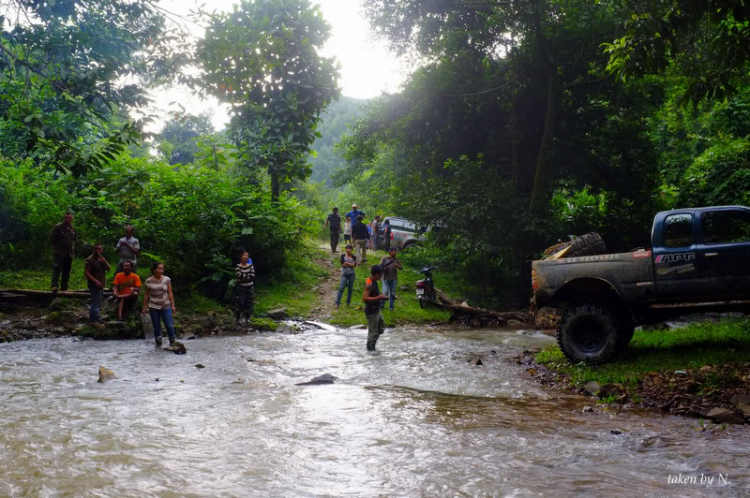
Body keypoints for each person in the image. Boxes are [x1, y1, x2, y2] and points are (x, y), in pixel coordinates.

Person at [142, 262, 177, 348]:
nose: (161, 271)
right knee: (157, 326)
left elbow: (170, 293)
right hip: (153, 306)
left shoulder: (167, 279)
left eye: (162, 269)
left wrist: (172, 305)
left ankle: (173, 343)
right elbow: (146, 295)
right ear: (154, 270)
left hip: (166, 305)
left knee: (169, 325)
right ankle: (158, 346)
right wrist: (144, 306)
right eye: (159, 269)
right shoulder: (148, 281)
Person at [363, 264, 388, 351]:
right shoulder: (369, 283)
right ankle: (371, 350)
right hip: (371, 311)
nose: (381, 276)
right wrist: (379, 297)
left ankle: (371, 344)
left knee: (381, 328)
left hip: (377, 310)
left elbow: (374, 295)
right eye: (380, 274)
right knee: (373, 333)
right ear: (376, 274)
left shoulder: (374, 281)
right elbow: (365, 298)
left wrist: (382, 296)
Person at [50, 211, 77, 292]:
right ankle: (54, 286)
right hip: (60, 252)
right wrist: (57, 248)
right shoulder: (58, 227)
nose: (68, 219)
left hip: (69, 253)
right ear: (63, 218)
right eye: (66, 218)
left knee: (66, 270)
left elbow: (74, 239)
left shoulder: (72, 228)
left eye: (69, 218)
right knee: (57, 269)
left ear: (72, 219)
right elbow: (52, 238)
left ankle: (64, 287)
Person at [84, 243, 110, 323]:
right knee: (95, 303)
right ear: (93, 250)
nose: (97, 251)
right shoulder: (90, 259)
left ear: (102, 250)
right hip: (94, 285)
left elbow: (109, 268)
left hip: (101, 284)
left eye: (99, 249)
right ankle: (94, 321)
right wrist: (95, 281)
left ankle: (95, 319)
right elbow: (86, 273)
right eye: (96, 249)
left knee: (98, 302)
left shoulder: (101, 258)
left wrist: (104, 261)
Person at [234, 250, 256, 325]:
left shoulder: (250, 266)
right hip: (241, 287)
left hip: (250, 287)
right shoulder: (238, 266)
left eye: (247, 255)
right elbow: (238, 275)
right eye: (244, 255)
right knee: (240, 302)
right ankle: (238, 319)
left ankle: (248, 318)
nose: (245, 257)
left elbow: (253, 275)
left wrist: (243, 276)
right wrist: (247, 276)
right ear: (241, 257)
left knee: (249, 302)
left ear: (248, 258)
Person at [380, 247, 403, 311]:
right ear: (390, 251)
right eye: (394, 251)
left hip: (394, 278)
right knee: (384, 292)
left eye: (396, 251)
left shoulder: (396, 259)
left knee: (392, 293)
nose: (395, 253)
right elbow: (380, 266)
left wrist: (398, 266)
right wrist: (385, 268)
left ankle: (391, 307)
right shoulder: (385, 258)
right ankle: (381, 305)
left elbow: (401, 268)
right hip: (385, 278)